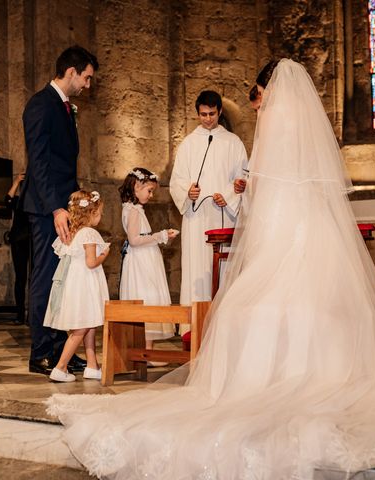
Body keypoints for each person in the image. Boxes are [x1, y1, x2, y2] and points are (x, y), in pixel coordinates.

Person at [46, 59, 375, 479]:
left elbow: (263, 180)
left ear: (267, 89)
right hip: (300, 219)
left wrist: (243, 198)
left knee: (249, 306)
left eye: (258, 94)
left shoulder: (260, 126)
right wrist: (217, 195)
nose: (257, 104)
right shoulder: (294, 121)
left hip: (278, 215)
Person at [19, 46, 99, 375]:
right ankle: (40, 350)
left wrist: (76, 205)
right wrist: (55, 208)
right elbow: (38, 163)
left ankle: (60, 348)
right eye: (87, 77)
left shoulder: (64, 107)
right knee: (45, 277)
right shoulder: (41, 105)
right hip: (46, 208)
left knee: (62, 280)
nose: (88, 85)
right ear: (71, 72)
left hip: (64, 207)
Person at [169, 90, 247, 323]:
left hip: (223, 214)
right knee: (196, 268)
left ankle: (224, 324)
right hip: (197, 218)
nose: (207, 119)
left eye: (212, 114)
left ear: (220, 112)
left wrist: (230, 195)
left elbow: (243, 179)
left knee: (222, 271)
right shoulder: (188, 144)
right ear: (197, 113)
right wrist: (188, 192)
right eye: (203, 114)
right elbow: (177, 180)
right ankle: (194, 327)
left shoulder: (233, 143)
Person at [43, 190, 109, 383]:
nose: (100, 216)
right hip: (85, 285)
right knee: (81, 328)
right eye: (99, 213)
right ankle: (60, 368)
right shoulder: (89, 233)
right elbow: (91, 262)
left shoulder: (73, 233)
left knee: (88, 324)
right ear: (91, 213)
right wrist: (104, 254)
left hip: (76, 284)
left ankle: (92, 366)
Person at [119, 168, 179, 363]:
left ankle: (148, 352)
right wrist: (161, 236)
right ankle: (145, 352)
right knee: (146, 297)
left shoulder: (134, 209)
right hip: (141, 262)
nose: (151, 195)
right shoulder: (133, 210)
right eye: (149, 190)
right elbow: (135, 240)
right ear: (137, 186)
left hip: (144, 258)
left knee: (148, 299)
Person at [4, 173, 29, 324]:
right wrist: (16, 181)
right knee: (20, 278)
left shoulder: (37, 202)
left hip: (34, 242)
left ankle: (33, 314)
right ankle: (20, 314)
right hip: (19, 241)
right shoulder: (19, 201)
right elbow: (7, 201)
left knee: (34, 278)